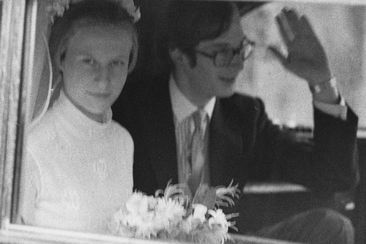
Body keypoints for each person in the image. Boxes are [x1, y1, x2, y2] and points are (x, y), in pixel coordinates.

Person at [114, 1, 359, 243]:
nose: (238, 62)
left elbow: (333, 176)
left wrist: (322, 82)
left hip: (226, 240)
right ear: (179, 54)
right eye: (221, 52)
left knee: (332, 226)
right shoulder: (131, 109)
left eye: (241, 48)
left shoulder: (244, 117)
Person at [19, 0, 138, 234]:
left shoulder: (124, 141)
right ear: (61, 59)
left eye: (116, 63)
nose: (103, 79)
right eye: (88, 61)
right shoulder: (32, 148)